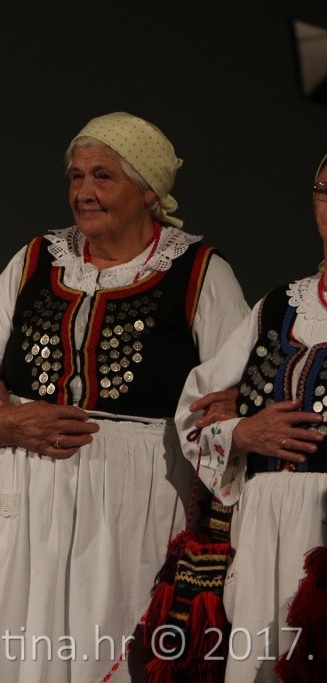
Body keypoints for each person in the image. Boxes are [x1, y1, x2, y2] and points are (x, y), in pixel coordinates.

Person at [0, 111, 250, 681]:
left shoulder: (199, 272)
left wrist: (233, 408)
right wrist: (2, 424)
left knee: (110, 648)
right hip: (22, 501)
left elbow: (235, 399)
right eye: (76, 176)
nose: (83, 192)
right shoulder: (35, 260)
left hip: (134, 504)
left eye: (103, 176)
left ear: (149, 191)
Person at [175, 153, 327, 682]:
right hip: (265, 529)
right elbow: (193, 412)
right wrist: (242, 429)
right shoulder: (279, 306)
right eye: (326, 191)